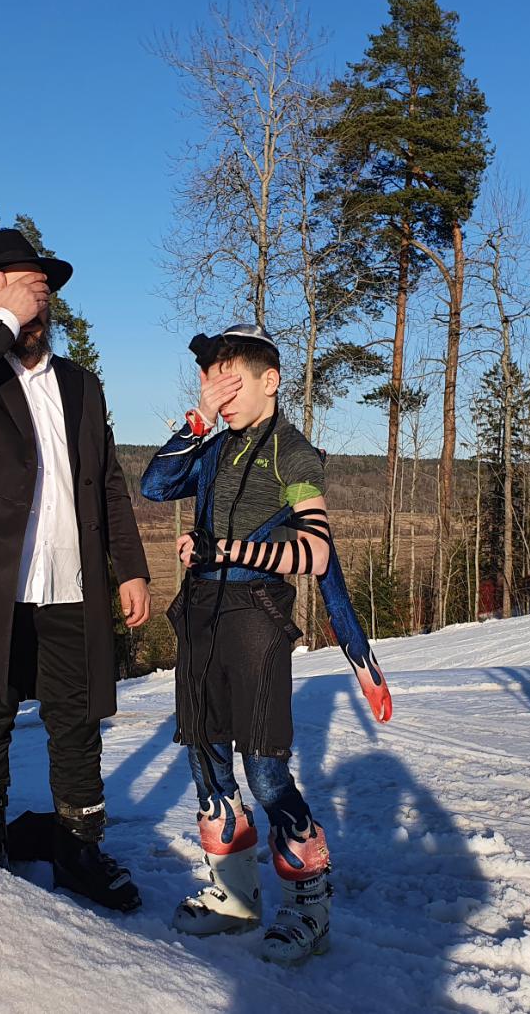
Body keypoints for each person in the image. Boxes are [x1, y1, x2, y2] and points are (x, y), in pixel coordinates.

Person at [0, 227, 151, 912]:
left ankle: (79, 846)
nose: (33, 302)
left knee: (76, 718)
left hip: (70, 582)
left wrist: (130, 568)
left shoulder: (82, 386)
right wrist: (3, 321)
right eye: (16, 289)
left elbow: (108, 480)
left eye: (39, 290)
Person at [141, 324, 337, 964]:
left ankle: (309, 904)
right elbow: (154, 486)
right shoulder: (213, 446)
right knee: (203, 751)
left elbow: (315, 550)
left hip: (255, 613)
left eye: (232, 380)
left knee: (264, 765)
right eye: (211, 380)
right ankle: (236, 896)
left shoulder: (292, 451)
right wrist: (195, 422)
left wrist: (235, 551)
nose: (219, 393)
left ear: (270, 381)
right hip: (200, 612)